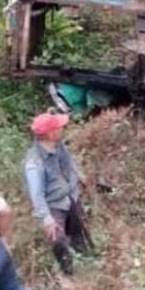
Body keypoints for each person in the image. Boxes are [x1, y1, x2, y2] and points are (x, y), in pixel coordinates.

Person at [22, 112, 91, 275]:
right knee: (58, 240)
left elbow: (69, 162)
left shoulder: (58, 144)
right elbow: (36, 194)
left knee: (78, 229)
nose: (61, 129)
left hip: (70, 196)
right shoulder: (34, 163)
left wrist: (80, 176)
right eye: (58, 127)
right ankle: (68, 272)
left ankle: (87, 258)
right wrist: (47, 219)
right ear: (50, 133)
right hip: (54, 205)